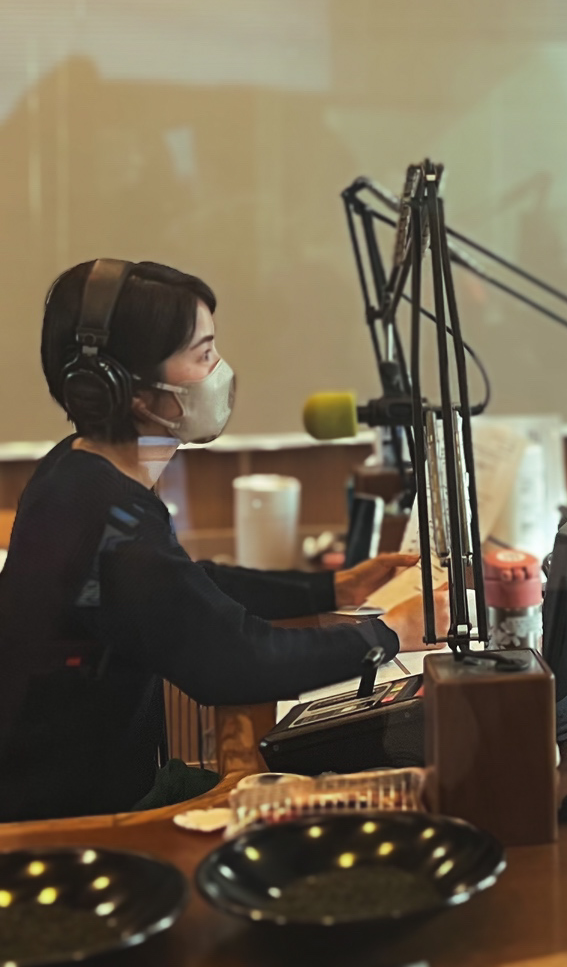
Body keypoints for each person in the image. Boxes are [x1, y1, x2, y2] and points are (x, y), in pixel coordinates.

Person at [0, 259, 435, 823]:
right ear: (123, 388)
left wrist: (332, 587)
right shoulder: (110, 522)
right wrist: (390, 632)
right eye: (203, 354)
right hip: (72, 831)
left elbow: (184, 585)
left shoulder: (77, 470)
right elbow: (237, 662)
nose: (220, 371)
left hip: (85, 800)